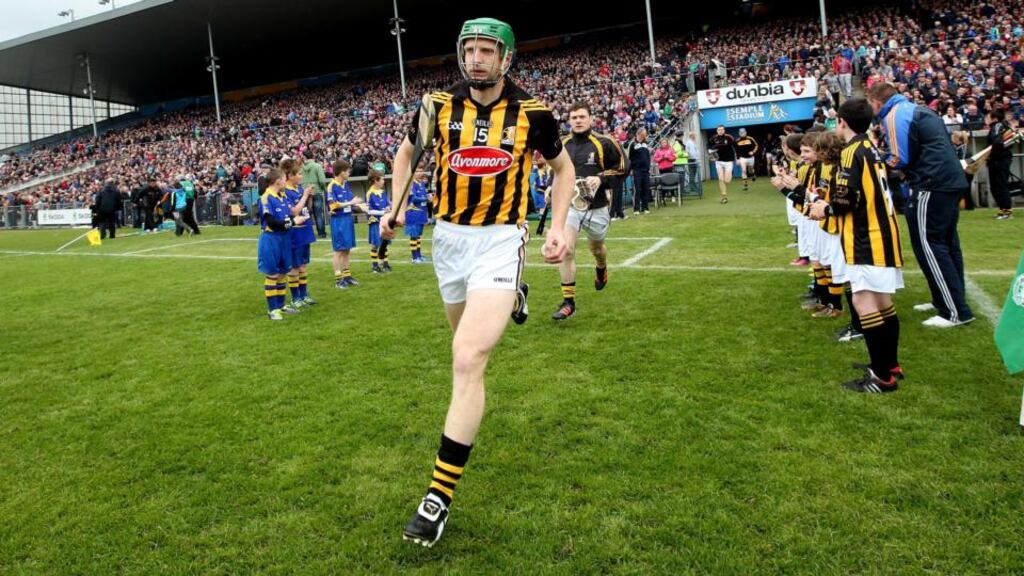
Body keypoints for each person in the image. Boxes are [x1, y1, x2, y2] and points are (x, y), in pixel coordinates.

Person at [381, 17, 574, 548]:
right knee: (461, 343)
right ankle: (512, 294)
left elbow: (563, 170)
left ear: (506, 58)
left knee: (467, 359)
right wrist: (395, 204)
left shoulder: (533, 113)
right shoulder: (436, 106)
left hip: (500, 238)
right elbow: (407, 153)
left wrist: (558, 226)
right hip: (449, 241)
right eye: (470, 49)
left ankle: (438, 497)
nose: (477, 59)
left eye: (488, 51)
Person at [809, 98, 904, 393]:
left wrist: (824, 208)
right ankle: (890, 365)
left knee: (863, 303)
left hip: (865, 236)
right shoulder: (870, 147)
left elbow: (846, 199)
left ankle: (881, 377)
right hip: (883, 232)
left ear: (842, 122)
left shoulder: (851, 151)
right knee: (883, 302)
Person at [869, 82, 974, 328]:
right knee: (947, 244)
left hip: (931, 183)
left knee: (930, 245)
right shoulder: (918, 109)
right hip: (949, 180)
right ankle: (948, 299)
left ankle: (954, 311)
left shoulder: (894, 115)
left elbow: (898, 159)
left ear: (876, 102)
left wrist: (875, 157)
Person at [552, 101, 625, 321]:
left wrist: (601, 178)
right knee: (566, 249)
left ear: (591, 118)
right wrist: (550, 188)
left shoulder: (605, 142)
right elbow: (556, 171)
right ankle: (568, 302)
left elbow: (623, 167)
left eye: (582, 117)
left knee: (597, 248)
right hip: (570, 206)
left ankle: (601, 267)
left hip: (597, 207)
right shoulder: (562, 144)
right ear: (569, 120)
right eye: (574, 117)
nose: (578, 121)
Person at [257, 167, 304, 321]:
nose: (286, 182)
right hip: (271, 239)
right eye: (284, 179)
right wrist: (293, 222)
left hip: (285, 238)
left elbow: (288, 216)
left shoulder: (282, 196)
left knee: (283, 272)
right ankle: (273, 310)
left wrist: (296, 219)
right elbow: (272, 222)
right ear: (278, 181)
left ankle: (281, 305)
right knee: (273, 274)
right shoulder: (266, 197)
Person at [281, 158, 317, 310]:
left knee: (303, 265)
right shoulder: (285, 191)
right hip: (295, 233)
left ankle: (304, 295)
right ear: (290, 175)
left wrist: (309, 196)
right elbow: (294, 211)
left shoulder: (299, 188)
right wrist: (305, 196)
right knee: (294, 267)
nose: (302, 176)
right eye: (299, 174)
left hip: (305, 230)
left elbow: (307, 208)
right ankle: (295, 297)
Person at [326, 159, 361, 288]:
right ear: (341, 172)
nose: (349, 173)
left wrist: (361, 205)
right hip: (338, 220)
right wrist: (351, 203)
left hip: (347, 219)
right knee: (339, 250)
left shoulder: (345, 184)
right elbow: (333, 205)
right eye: (347, 171)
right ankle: (338, 279)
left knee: (347, 249)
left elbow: (351, 199)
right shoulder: (331, 186)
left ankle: (347, 276)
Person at [986, 107, 1016, 220]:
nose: (986, 118)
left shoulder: (998, 126)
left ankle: (1007, 211)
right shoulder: (1001, 125)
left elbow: (997, 142)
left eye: (989, 116)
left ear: (994, 118)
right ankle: (1002, 209)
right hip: (999, 159)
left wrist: (991, 154)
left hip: (999, 160)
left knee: (1000, 185)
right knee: (996, 186)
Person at [365, 170, 391, 273]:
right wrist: (382, 212)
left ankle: (385, 263)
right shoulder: (370, 193)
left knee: (385, 242)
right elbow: (369, 210)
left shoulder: (383, 192)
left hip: (384, 221)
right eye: (382, 179)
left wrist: (388, 208)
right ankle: (375, 265)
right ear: (376, 180)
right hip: (375, 221)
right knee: (375, 244)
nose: (384, 181)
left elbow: (387, 204)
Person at [301, 148, 329, 238]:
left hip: (305, 192)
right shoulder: (317, 166)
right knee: (318, 214)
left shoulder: (301, 167)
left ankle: (307, 233)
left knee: (306, 214)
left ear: (304, 157)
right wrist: (322, 189)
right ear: (312, 156)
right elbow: (322, 180)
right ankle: (321, 233)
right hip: (317, 191)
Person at [406, 170, 431, 263]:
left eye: (421, 171)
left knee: (418, 236)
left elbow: (423, 195)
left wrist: (429, 196)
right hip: (413, 213)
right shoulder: (411, 184)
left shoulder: (421, 183)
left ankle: (419, 256)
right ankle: (414, 257)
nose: (419, 173)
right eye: (417, 171)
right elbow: (413, 198)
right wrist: (426, 199)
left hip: (421, 212)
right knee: (414, 235)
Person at [626, 127, 652, 215]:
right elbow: (629, 158)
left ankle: (645, 207)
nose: (645, 135)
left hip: (646, 171)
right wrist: (631, 169)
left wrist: (648, 167)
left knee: (646, 189)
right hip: (637, 170)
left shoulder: (645, 144)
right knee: (637, 189)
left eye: (645, 134)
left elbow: (648, 156)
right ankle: (636, 209)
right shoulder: (632, 144)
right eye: (644, 134)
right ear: (639, 133)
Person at [709, 125, 736, 203]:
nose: (720, 131)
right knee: (721, 179)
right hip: (719, 161)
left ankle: (730, 173)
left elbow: (734, 146)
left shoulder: (729, 137)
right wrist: (711, 152)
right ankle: (724, 197)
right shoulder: (713, 138)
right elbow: (710, 148)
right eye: (719, 130)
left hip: (728, 161)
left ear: (724, 130)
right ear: (717, 131)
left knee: (727, 181)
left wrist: (736, 157)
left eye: (722, 129)